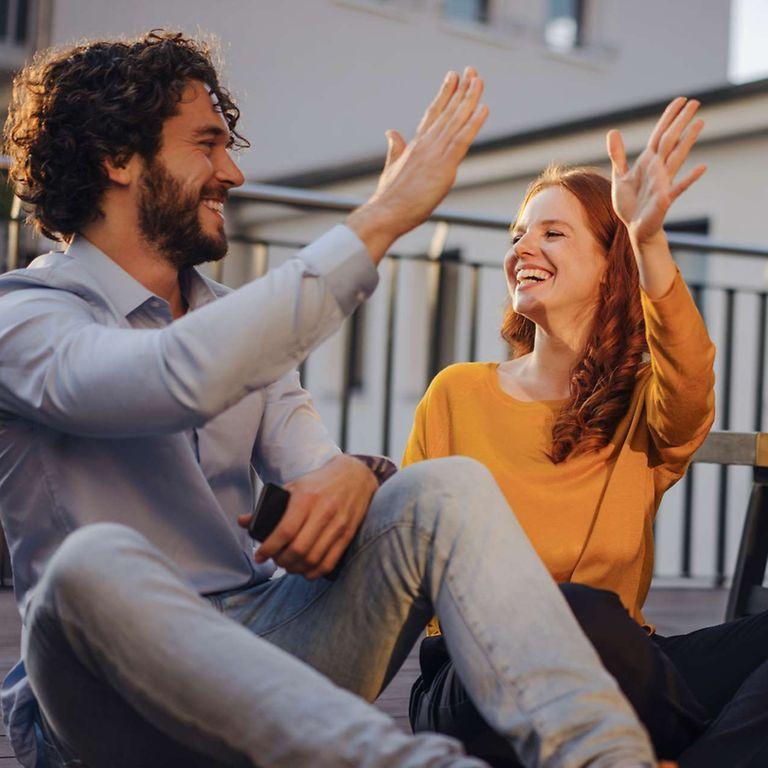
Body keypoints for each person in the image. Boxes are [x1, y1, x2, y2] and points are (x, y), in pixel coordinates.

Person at [0, 30, 661, 768]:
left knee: (446, 488)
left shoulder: (233, 320)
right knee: (90, 564)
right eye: (207, 145)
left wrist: (356, 476)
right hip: (104, 700)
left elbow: (314, 463)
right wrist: (379, 220)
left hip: (266, 650)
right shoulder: (25, 317)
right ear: (116, 159)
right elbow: (167, 377)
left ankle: (607, 759)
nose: (234, 172)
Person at [405, 97, 768, 767]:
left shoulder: (642, 407)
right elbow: (405, 556)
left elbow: (691, 387)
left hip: (625, 665)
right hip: (474, 677)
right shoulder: (456, 393)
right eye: (519, 233)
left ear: (611, 265)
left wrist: (649, 238)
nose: (522, 248)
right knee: (575, 611)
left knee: (598, 621)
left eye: (552, 233)